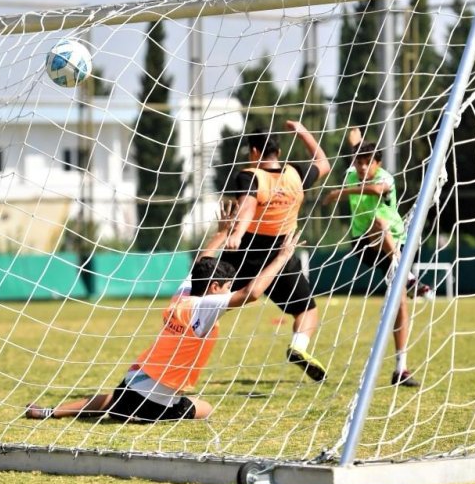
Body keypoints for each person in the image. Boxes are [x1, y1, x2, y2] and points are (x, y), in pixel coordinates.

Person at [24, 202, 302, 422]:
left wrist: (220, 235)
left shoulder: (183, 295)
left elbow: (200, 263)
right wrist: (281, 257)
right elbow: (250, 293)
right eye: (226, 286)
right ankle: (139, 415)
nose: (229, 290)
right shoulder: (206, 306)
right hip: (152, 404)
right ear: (215, 286)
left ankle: (51, 411)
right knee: (206, 408)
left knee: (114, 399)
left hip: (128, 385)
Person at [223, 121, 330, 382]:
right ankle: (298, 347)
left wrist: (236, 234)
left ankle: (181, 339)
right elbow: (324, 163)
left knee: (211, 302)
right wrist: (303, 132)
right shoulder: (296, 174)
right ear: (279, 153)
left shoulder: (249, 175)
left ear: (255, 153)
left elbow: (247, 206)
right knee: (307, 310)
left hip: (247, 250)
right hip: (280, 253)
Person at [322, 127, 426, 387]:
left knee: (400, 303)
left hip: (395, 244)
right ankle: (409, 276)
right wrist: (355, 141)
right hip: (364, 244)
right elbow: (357, 150)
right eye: (359, 162)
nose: (362, 167)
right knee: (377, 222)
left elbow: (377, 190)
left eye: (368, 163)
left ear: (378, 164)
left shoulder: (385, 179)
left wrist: (339, 193)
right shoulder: (352, 173)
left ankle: (401, 368)